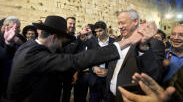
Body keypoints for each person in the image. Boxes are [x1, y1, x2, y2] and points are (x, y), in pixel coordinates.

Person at [1, 15, 158, 102]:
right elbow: (75, 60)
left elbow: (69, 54)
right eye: (62, 42)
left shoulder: (26, 46)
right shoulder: (35, 54)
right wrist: (129, 41)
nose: (61, 47)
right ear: (54, 37)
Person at [118, 17, 183, 102]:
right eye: (173, 34)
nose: (175, 37)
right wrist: (162, 67)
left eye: (181, 35)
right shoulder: (164, 54)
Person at [105, 9, 163, 102]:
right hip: (110, 96)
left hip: (131, 98)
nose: (120, 27)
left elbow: (154, 75)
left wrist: (143, 47)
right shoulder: (117, 41)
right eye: (118, 24)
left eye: (123, 23)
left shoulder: (153, 44)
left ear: (135, 21)